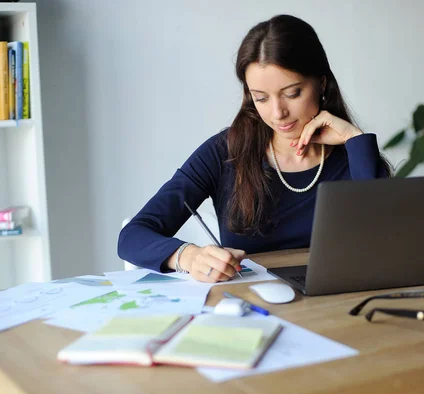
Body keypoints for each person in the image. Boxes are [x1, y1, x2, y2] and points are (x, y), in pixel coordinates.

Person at [118, 14, 390, 283]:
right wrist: (188, 257)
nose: (278, 113)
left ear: (321, 83)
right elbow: (133, 236)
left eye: (292, 93)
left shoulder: (352, 156)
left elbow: (389, 242)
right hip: (253, 308)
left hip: (337, 309)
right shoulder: (225, 152)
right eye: (261, 98)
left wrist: (354, 139)